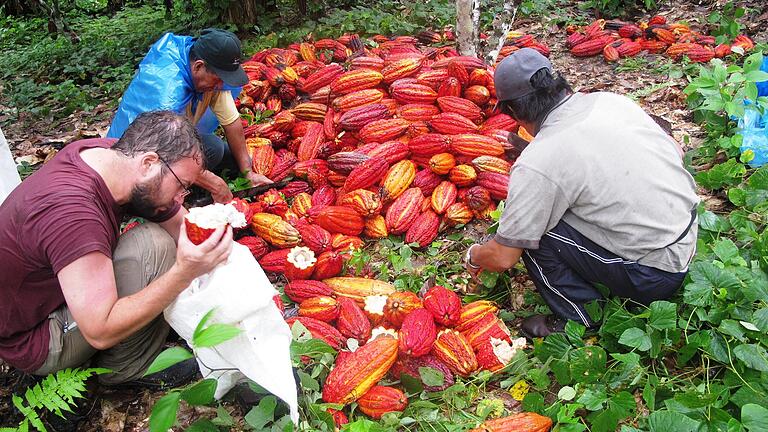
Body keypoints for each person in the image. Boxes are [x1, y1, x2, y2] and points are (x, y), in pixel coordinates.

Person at [464, 48, 699, 338]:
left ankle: (580, 317)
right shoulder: (610, 101)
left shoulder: (539, 161)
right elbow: (674, 150)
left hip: (654, 275)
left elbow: (503, 257)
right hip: (685, 236)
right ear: (559, 82)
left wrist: (474, 256)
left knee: (533, 234)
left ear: (512, 111)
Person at [0, 111, 233, 387]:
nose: (181, 197)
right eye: (182, 186)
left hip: (60, 291)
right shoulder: (74, 213)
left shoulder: (112, 156)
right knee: (154, 247)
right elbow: (99, 330)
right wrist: (184, 273)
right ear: (148, 163)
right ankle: (123, 369)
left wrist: (224, 261)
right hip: (37, 336)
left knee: (161, 243)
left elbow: (180, 225)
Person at [107, 28, 271, 203]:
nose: (221, 85)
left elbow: (232, 124)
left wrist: (248, 173)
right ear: (198, 66)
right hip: (139, 159)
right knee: (207, 152)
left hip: (172, 142)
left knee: (221, 151)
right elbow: (164, 152)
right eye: (218, 79)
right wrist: (213, 183)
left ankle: (189, 182)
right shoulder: (167, 93)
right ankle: (169, 198)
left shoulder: (210, 76)